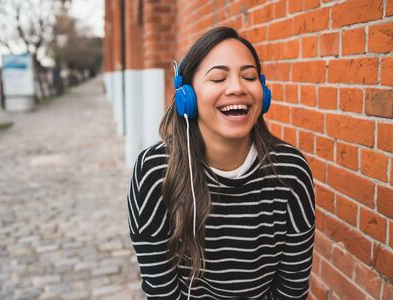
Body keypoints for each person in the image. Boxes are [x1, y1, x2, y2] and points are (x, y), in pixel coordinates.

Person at [127, 26, 316, 300]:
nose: (238, 88)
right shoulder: (154, 171)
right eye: (218, 78)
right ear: (186, 97)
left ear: (263, 93)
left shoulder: (291, 170)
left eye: (249, 76)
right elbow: (160, 291)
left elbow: (292, 288)